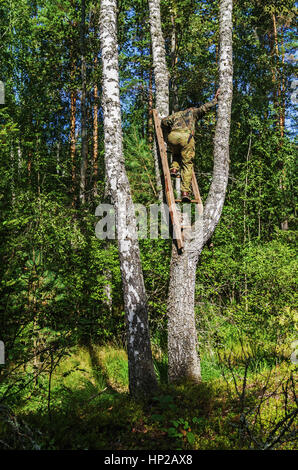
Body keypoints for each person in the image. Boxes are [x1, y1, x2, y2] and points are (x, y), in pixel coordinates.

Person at [161, 89, 220, 202]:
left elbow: (164, 121)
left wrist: (168, 130)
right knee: (187, 164)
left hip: (173, 137)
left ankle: (174, 169)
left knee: (176, 153)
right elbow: (205, 108)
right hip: (186, 138)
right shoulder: (193, 112)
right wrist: (215, 100)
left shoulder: (177, 114)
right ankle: (185, 192)